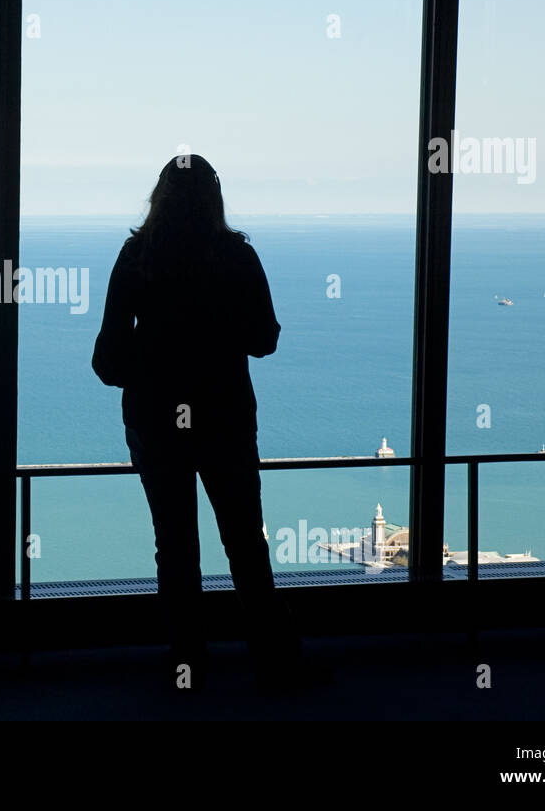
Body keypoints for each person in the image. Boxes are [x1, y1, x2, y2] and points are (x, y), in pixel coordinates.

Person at [91, 154, 309, 691]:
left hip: (155, 420)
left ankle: (187, 661)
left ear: (158, 198)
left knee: (176, 543)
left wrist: (153, 362)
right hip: (225, 417)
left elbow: (108, 361)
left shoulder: (136, 256)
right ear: (215, 200)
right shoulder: (236, 257)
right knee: (244, 540)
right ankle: (275, 660)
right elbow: (265, 340)